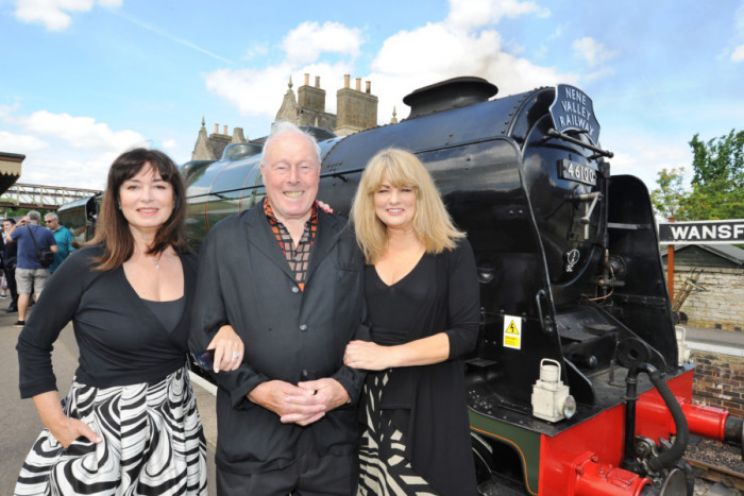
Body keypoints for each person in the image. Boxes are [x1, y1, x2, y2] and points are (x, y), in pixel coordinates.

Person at [15, 148, 233, 495]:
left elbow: (211, 326)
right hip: (103, 431)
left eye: (159, 186)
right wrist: (55, 421)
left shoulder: (193, 264)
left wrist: (225, 329)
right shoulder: (86, 266)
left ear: (175, 197)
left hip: (176, 429)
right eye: (133, 186)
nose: (147, 197)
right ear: (117, 199)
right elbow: (32, 342)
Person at [190, 122, 367, 495]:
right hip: (253, 448)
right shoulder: (224, 239)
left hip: (333, 447)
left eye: (304, 166)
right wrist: (255, 389)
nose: (293, 178)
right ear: (264, 172)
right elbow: (202, 335)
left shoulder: (352, 238)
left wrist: (344, 387)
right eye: (282, 166)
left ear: (319, 172)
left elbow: (370, 325)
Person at [345, 148, 480, 495]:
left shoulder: (452, 250)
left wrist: (387, 356)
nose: (394, 200)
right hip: (367, 401)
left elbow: (466, 335)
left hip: (430, 399)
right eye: (383, 190)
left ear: (422, 194)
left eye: (405, 189)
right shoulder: (358, 250)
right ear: (370, 198)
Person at [7, 210, 57, 327]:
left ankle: (21, 321)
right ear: (39, 219)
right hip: (41, 267)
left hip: (23, 267)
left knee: (24, 293)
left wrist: (17, 224)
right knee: (40, 293)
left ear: (28, 219)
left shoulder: (20, 230)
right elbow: (54, 249)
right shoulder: (47, 232)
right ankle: (41, 321)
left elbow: (8, 238)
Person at [2, 218, 18, 312]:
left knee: (15, 285)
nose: (5, 227)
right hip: (6, 263)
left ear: (13, 225)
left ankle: (15, 304)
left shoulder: (17, 235)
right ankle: (14, 302)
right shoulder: (3, 235)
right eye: (3, 225)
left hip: (15, 263)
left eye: (7, 225)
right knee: (11, 285)